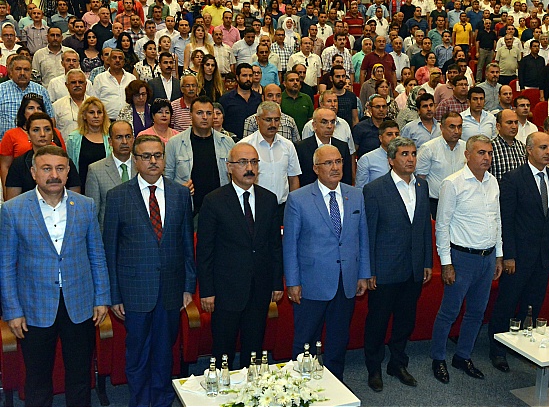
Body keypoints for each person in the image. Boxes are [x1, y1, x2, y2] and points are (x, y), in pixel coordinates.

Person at [0, 145, 110, 406]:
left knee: (80, 377)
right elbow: (6, 265)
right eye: (46, 168)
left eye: (60, 168)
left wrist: (102, 297)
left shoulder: (85, 206)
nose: (54, 175)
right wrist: (12, 310)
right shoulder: (13, 210)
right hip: (34, 307)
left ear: (68, 171)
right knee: (37, 380)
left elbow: (97, 255)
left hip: (80, 304)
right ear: (34, 173)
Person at [103, 134, 195, 406]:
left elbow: (186, 243)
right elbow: (110, 249)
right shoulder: (118, 196)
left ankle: (163, 400)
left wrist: (188, 286)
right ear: (135, 160)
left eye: (158, 155)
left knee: (165, 352)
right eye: (146, 156)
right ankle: (141, 401)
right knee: (138, 354)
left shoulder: (180, 194)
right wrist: (114, 295)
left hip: (171, 289)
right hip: (134, 291)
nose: (153, 161)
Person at [283, 144, 370, 381]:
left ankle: (335, 386)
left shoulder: (356, 195)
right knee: (305, 341)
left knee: (338, 340)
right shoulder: (298, 199)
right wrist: (293, 282)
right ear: (316, 168)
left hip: (346, 280)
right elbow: (290, 244)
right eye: (328, 163)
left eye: (338, 161)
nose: (335, 167)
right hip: (311, 283)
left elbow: (362, 237)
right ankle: (300, 386)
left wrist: (363, 273)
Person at [196, 142, 283, 368]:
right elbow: (205, 251)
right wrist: (207, 291)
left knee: (253, 350)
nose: (249, 168)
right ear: (229, 167)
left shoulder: (268, 199)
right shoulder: (214, 201)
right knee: (223, 351)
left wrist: (276, 283)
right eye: (243, 162)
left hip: (259, 288)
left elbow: (274, 246)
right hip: (226, 290)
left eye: (254, 162)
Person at [488, 132, 549, 372]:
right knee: (507, 302)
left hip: (544, 255)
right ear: (529, 150)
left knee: (533, 303)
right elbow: (507, 219)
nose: (548, 152)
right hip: (518, 256)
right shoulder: (513, 178)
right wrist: (508, 255)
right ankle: (497, 349)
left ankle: (521, 344)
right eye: (543, 147)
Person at [431, 134, 503, 384]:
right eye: (481, 153)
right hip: (461, 258)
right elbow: (442, 226)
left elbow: (497, 220)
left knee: (476, 312)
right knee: (449, 312)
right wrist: (446, 263)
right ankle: (438, 358)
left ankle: (463, 356)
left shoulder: (493, 181)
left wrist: (499, 255)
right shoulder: (453, 183)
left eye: (490, 153)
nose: (487, 157)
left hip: (487, 257)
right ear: (467, 155)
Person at [363, 136, 432, 392]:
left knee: (405, 321)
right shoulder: (374, 189)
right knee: (378, 322)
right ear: (391, 160)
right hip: (384, 270)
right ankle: (374, 368)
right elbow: (368, 233)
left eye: (413, 154)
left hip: (413, 268)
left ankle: (398, 363)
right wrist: (369, 269)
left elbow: (424, 228)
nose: (410, 159)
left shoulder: (422, 186)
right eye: (404, 154)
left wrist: (427, 261)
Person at [165, 96, 234, 218]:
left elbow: (236, 175)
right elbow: (167, 177)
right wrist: (178, 190)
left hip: (221, 208)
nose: (205, 117)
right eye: (199, 113)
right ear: (190, 115)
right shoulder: (174, 143)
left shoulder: (227, 142)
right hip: (188, 209)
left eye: (209, 113)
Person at [4, 113, 81, 200]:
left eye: (47, 129)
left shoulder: (66, 161)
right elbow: (13, 203)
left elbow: (75, 199)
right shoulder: (19, 164)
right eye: (36, 130)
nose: (42, 134)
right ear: (28, 135)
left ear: (53, 134)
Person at [241, 101, 302, 207]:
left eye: (276, 120)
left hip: (282, 206)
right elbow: (240, 180)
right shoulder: (245, 146)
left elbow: (293, 178)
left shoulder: (288, 145)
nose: (273, 124)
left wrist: (294, 206)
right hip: (255, 206)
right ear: (257, 120)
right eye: (268, 120)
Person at [85, 120, 136, 229]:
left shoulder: (143, 167)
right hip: (109, 233)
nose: (124, 141)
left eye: (128, 136)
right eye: (119, 137)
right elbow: (93, 212)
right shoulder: (96, 170)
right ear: (110, 141)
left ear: (133, 139)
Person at [416, 111, 466, 218]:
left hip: (461, 202)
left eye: (459, 127)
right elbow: (420, 180)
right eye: (452, 127)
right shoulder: (428, 148)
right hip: (435, 203)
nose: (456, 131)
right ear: (441, 128)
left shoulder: (466, 148)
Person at [0, 55, 55, 140]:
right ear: (10, 71)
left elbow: (50, 118)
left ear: (31, 72)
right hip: (6, 143)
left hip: (37, 143)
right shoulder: (1, 90)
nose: (22, 73)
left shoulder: (41, 90)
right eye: (18, 69)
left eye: (26, 69)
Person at [295, 107, 352, 187]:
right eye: (324, 122)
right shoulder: (301, 148)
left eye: (332, 122)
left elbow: (347, 179)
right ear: (314, 125)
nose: (329, 126)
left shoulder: (342, 147)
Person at [66, 97, 112, 193]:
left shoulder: (111, 136)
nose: (96, 116)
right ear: (84, 115)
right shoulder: (73, 138)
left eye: (99, 112)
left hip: (107, 188)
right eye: (91, 112)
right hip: (82, 188)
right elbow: (70, 169)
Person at [220, 63, 263, 139]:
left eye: (250, 75)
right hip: (233, 141)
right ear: (237, 77)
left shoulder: (259, 98)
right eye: (244, 75)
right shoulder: (226, 99)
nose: (248, 79)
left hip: (255, 141)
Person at [94, 49, 137, 121]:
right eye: (114, 58)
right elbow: (95, 101)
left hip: (129, 120)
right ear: (108, 60)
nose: (117, 60)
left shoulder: (131, 78)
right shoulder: (99, 78)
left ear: (124, 61)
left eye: (120, 58)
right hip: (107, 120)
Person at [355, 120, 400, 189]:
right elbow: (361, 189)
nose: (394, 137)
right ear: (380, 138)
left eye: (397, 134)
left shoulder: (405, 158)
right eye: (389, 134)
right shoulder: (367, 159)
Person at [490, 109, 527, 182]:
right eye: (509, 123)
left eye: (516, 122)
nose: (514, 126)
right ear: (498, 126)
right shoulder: (490, 148)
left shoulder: (523, 147)